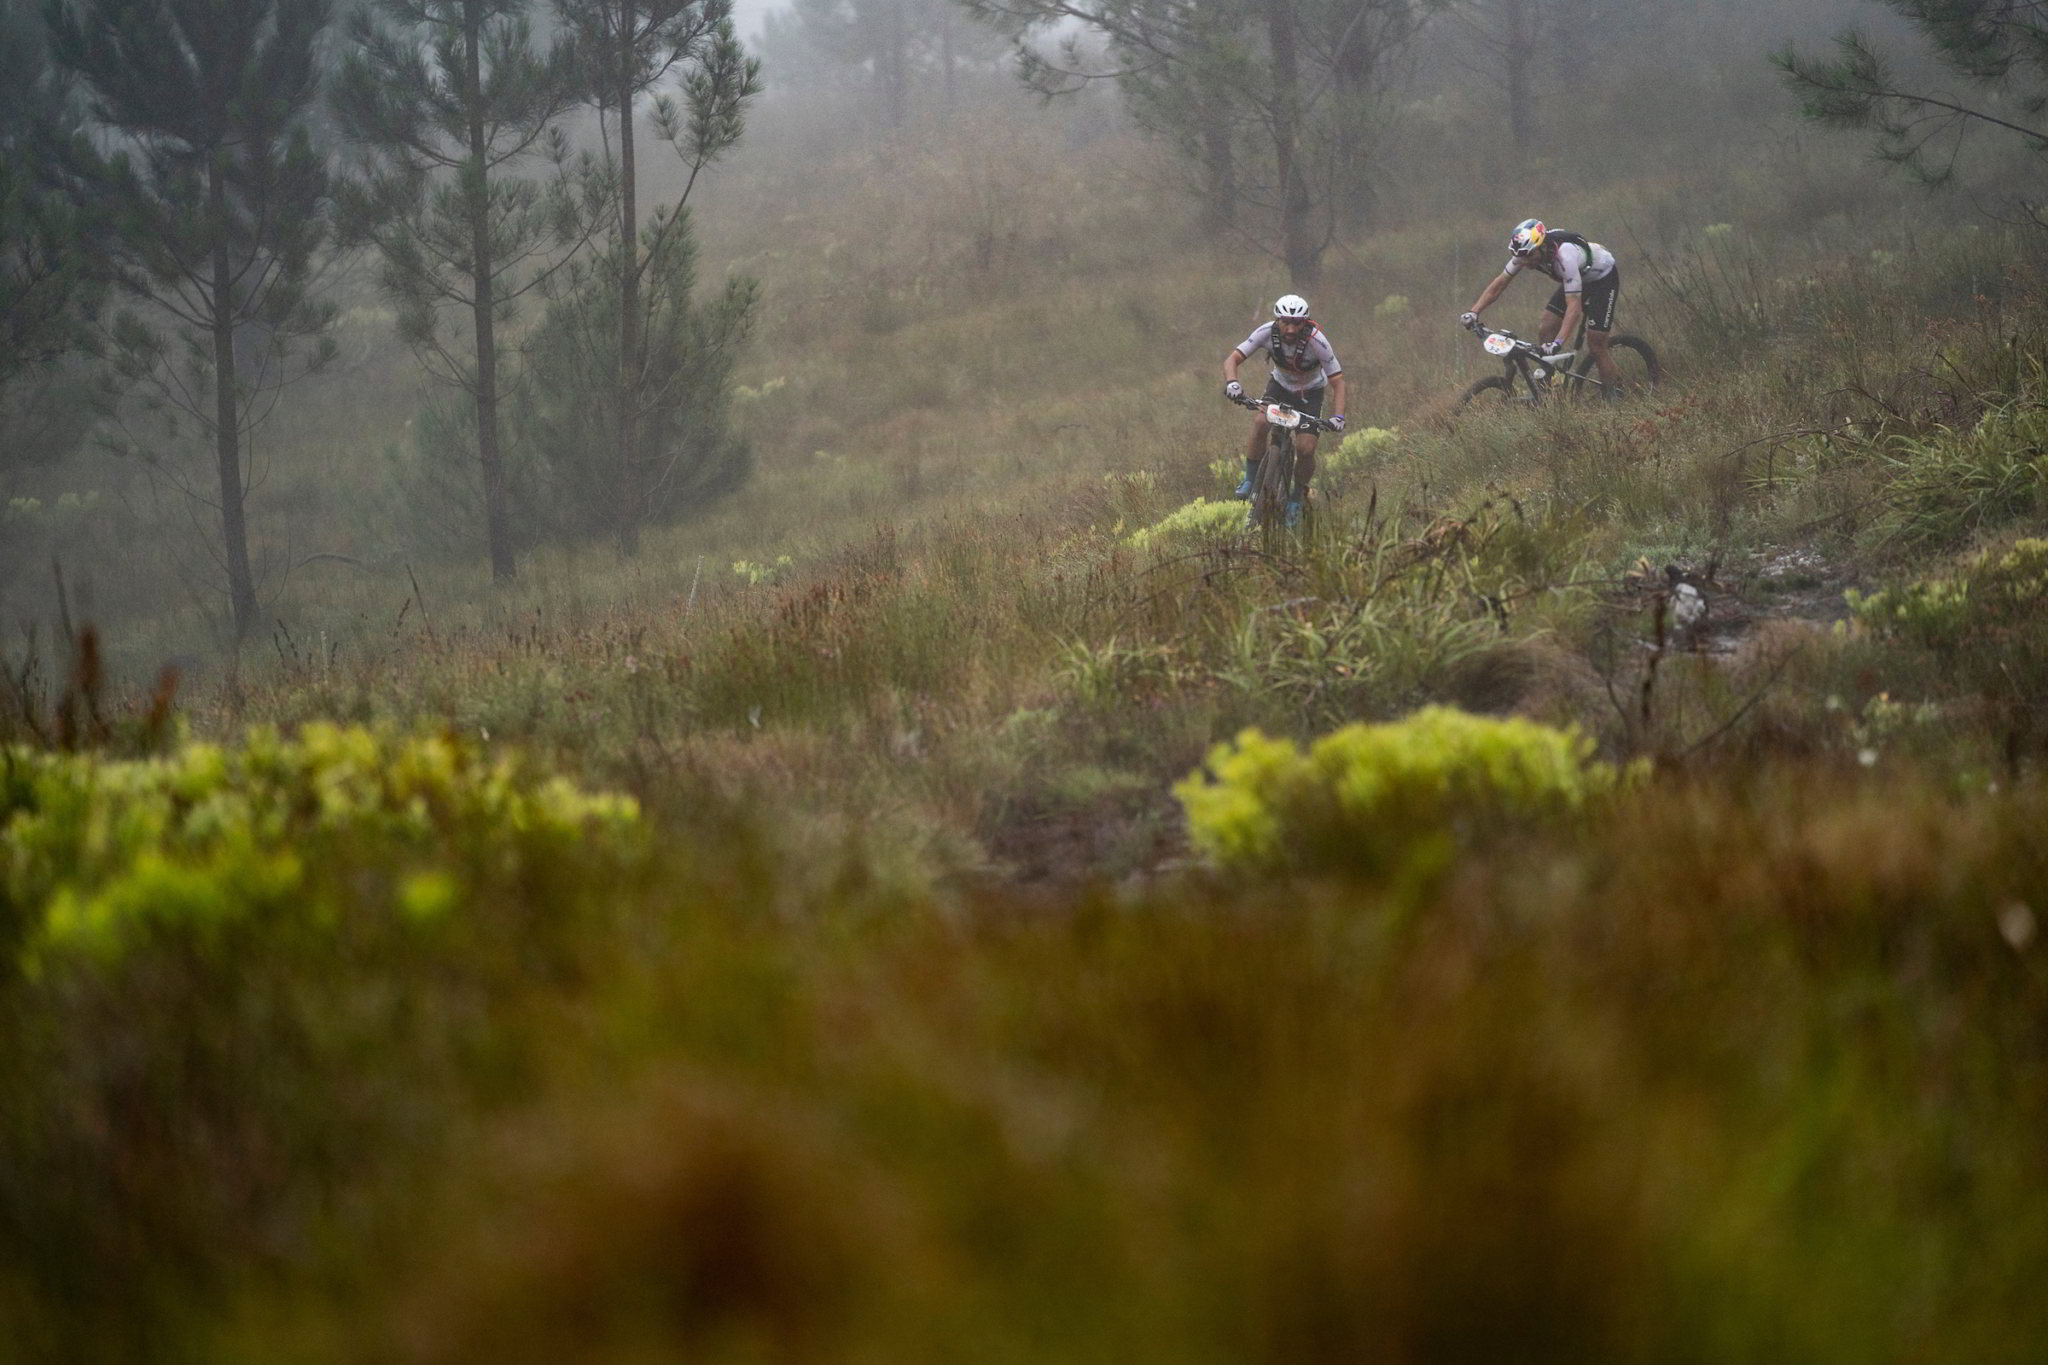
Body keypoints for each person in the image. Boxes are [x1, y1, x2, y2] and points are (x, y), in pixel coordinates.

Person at [1222, 294, 1347, 526]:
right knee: (1261, 423)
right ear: (1277, 319)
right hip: (1279, 387)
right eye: (1285, 321)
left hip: (1310, 394)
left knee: (1306, 449)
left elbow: (1337, 381)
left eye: (1297, 323)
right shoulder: (1266, 332)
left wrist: (1338, 416)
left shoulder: (1317, 341)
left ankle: (1296, 498)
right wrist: (1233, 383)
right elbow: (1232, 360)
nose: (1290, 328)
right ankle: (1250, 480)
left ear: (1306, 322)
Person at [1461, 218, 1622, 394]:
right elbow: (1500, 284)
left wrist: (1558, 343)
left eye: (1529, 256)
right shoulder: (1524, 255)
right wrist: (1473, 312)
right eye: (1521, 256)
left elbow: (1574, 308)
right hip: (1575, 279)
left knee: (1596, 344)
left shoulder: (1565, 257)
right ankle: (1550, 389)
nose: (1525, 261)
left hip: (1602, 279)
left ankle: (1613, 397)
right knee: (1546, 326)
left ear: (1542, 246)